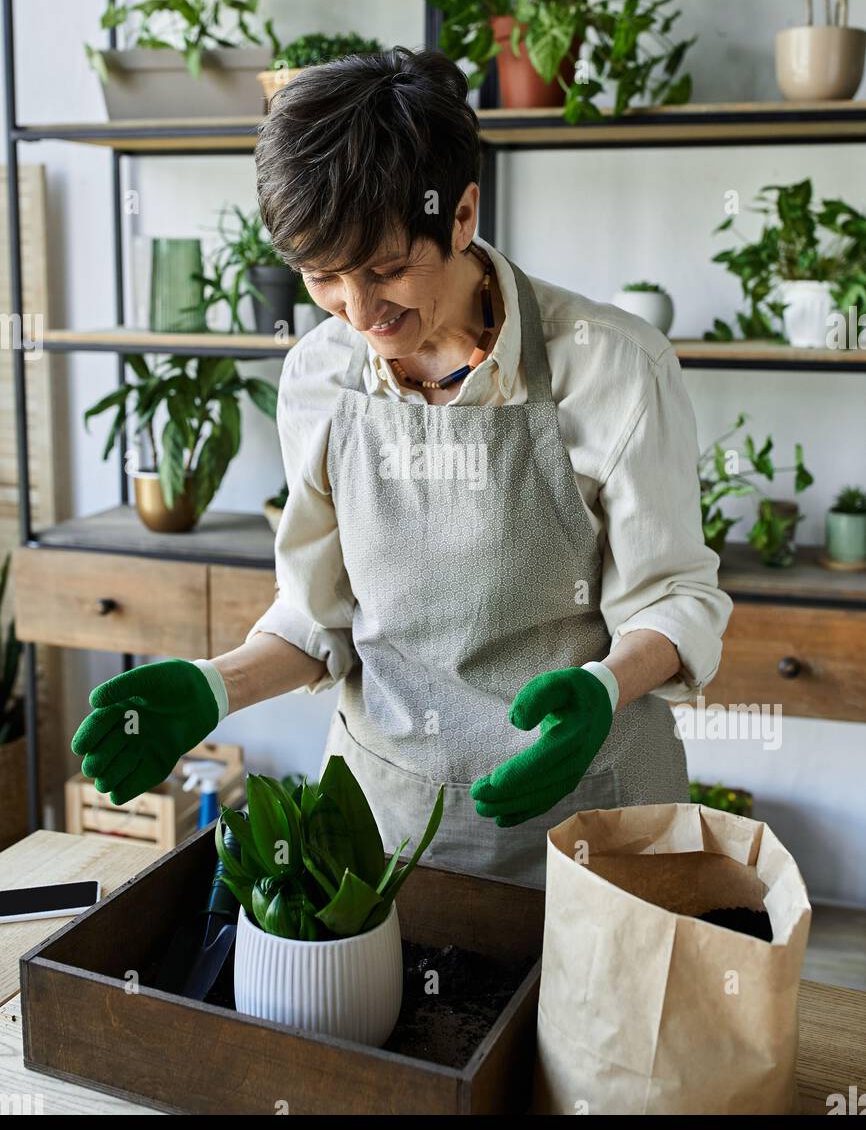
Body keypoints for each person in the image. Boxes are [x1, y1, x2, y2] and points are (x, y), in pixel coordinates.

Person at [72, 46, 732, 890]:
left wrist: (603, 690)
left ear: (460, 215)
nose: (360, 312)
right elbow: (320, 619)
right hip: (385, 830)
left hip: (590, 820)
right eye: (322, 277)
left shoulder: (611, 367)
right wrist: (215, 687)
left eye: (386, 269)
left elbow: (676, 596)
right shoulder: (319, 378)